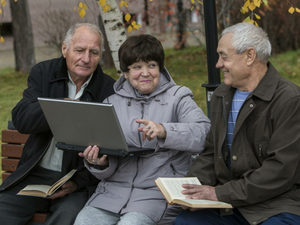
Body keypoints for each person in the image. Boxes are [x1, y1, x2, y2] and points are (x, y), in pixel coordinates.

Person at [73, 34, 211, 225]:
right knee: (84, 222)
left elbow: (204, 134)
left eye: (152, 65)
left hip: (157, 193)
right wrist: (99, 164)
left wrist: (164, 130)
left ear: (160, 68)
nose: (145, 73)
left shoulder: (178, 97)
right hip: (112, 193)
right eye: (137, 67)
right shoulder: (111, 103)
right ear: (126, 73)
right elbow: (108, 161)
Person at [173, 22, 300, 225]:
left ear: (250, 56)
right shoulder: (221, 96)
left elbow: (280, 171)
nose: (218, 64)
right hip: (228, 204)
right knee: (186, 222)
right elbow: (210, 153)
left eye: (224, 57)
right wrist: (190, 189)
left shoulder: (289, 99)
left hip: (276, 206)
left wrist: (219, 193)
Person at [0, 23, 115, 225]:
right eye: (79, 50)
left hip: (76, 182)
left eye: (94, 52)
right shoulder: (44, 73)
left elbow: (112, 151)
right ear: (65, 49)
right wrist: (61, 108)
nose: (86, 59)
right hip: (34, 175)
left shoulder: (109, 89)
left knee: (68, 217)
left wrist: (78, 183)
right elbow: (22, 119)